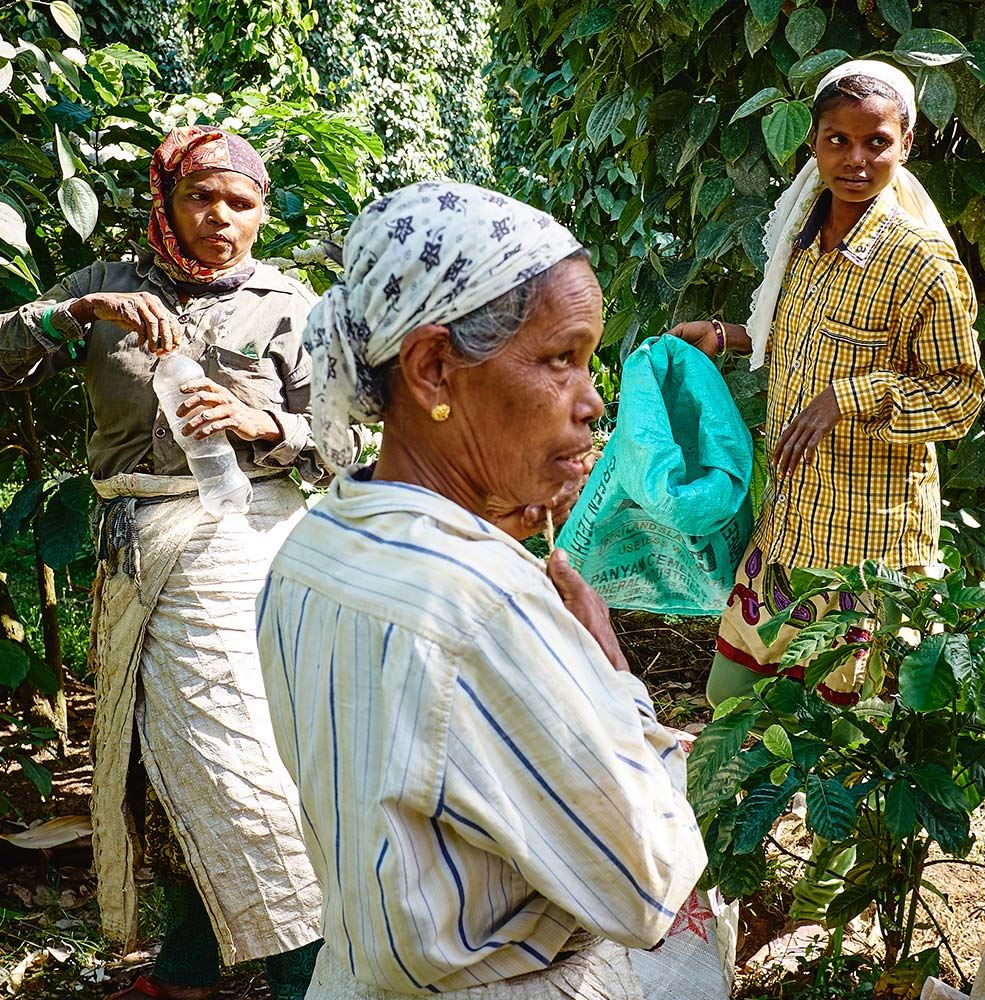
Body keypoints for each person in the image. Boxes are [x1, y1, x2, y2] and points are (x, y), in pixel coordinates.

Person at [257, 181, 708, 1000]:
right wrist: (611, 680)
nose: (592, 400)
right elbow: (647, 886)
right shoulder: (485, 606)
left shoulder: (314, 545)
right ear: (433, 368)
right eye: (559, 358)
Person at [0, 126, 326, 999]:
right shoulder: (104, 289)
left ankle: (307, 973)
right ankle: (186, 968)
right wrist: (75, 316)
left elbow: (347, 440)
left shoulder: (290, 306)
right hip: (133, 549)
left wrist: (268, 427)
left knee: (238, 764)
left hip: (242, 545)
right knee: (157, 764)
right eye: (200, 198)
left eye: (242, 203)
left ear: (263, 215)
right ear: (166, 202)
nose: (221, 217)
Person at [670, 60, 985, 923]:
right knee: (730, 707)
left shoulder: (920, 260)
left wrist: (856, 397)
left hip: (867, 552)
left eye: (875, 142)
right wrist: (729, 337)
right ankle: (717, 884)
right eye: (837, 140)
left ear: (906, 143)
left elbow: (961, 395)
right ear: (811, 143)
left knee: (842, 749)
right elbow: (789, 338)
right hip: (790, 534)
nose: (855, 159)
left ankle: (815, 917)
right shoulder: (806, 236)